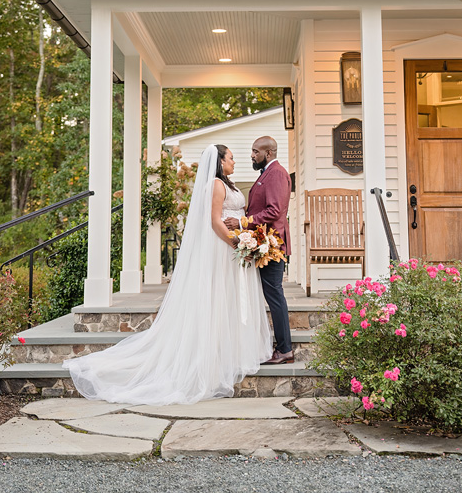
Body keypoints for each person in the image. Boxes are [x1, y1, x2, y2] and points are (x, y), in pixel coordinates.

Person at [62, 144, 272, 404]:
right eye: (230, 158)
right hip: (224, 246)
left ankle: (230, 351)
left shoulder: (227, 183)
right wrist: (236, 243)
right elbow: (215, 221)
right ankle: (214, 356)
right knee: (219, 298)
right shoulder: (216, 184)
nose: (234, 162)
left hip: (235, 245)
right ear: (219, 161)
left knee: (227, 299)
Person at [225, 136, 293, 365]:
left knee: (274, 294)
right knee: (271, 293)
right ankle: (282, 347)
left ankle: (285, 349)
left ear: (269, 153)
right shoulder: (267, 173)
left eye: (256, 152)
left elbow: (275, 211)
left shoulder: (276, 174)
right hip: (263, 242)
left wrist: (244, 222)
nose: (252, 155)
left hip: (272, 244)